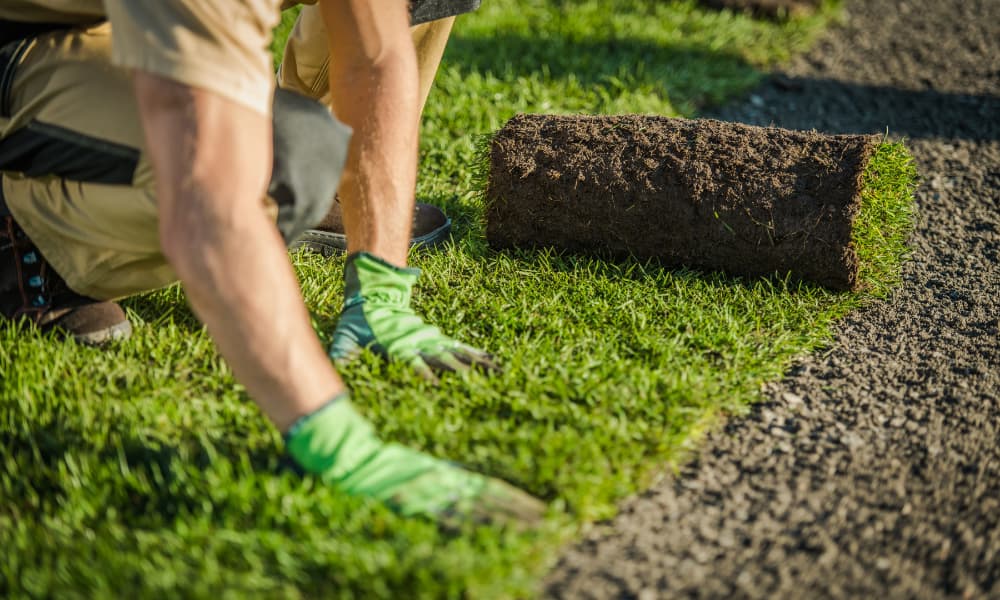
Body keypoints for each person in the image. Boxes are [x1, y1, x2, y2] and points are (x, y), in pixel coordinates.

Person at [0, 1, 544, 527]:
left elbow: (375, 57)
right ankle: (29, 230)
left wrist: (380, 292)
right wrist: (335, 441)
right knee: (282, 156)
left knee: (289, 147)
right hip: (29, 42)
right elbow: (210, 196)